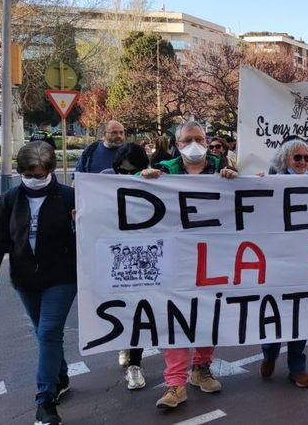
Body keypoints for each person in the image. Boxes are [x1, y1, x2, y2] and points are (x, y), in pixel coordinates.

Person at [140, 121, 238, 409]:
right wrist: (141, 177)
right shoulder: (165, 170)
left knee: (208, 314)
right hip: (175, 259)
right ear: (177, 144)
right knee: (175, 318)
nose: (194, 144)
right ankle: (175, 383)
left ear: (207, 142)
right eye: (187, 140)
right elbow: (125, 193)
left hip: (214, 258)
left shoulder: (223, 169)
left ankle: (202, 368)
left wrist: (236, 179)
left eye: (199, 139)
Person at [0, 142, 76, 425]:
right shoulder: (10, 198)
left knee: (48, 332)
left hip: (61, 277)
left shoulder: (69, 197)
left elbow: (91, 234)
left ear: (50, 170)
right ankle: (59, 375)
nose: (34, 179)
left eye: (40, 174)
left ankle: (45, 402)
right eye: (28, 174)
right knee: (41, 331)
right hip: (25, 278)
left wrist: (78, 223)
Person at [258, 139, 308, 388]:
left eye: (307, 158)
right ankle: (269, 353)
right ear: (285, 160)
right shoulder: (267, 183)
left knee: (300, 316)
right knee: (276, 314)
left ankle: (297, 367)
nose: (303, 162)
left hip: (304, 262)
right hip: (275, 262)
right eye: (297, 158)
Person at [98, 143, 151, 390]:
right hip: (113, 257)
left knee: (139, 309)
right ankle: (124, 343)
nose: (128, 176)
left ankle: (135, 364)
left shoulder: (152, 181)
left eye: (134, 171)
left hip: (142, 258)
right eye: (123, 170)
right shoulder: (103, 181)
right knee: (121, 308)